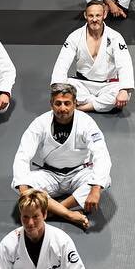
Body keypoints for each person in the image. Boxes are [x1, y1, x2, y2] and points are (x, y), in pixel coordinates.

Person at [12, 83, 112, 230]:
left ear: (75, 104)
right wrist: (24, 191)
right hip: (50, 174)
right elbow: (23, 154)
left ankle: (53, 210)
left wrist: (96, 189)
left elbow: (101, 154)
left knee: (104, 180)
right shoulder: (40, 123)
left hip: (79, 173)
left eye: (67, 103)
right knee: (21, 183)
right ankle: (68, 214)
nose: (62, 108)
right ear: (51, 104)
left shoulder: (86, 123)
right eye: (58, 103)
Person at [53, 2, 135, 112]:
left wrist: (124, 90)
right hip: (82, 84)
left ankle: (80, 107)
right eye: (91, 15)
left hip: (108, 85)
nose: (94, 19)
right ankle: (99, 104)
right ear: (85, 16)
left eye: (98, 15)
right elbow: (62, 62)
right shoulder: (75, 36)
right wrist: (58, 89)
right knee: (66, 87)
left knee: (124, 93)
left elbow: (124, 63)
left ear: (104, 15)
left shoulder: (115, 37)